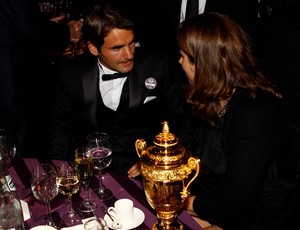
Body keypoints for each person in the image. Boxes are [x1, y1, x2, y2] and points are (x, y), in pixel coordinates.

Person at [177, 12, 297, 229]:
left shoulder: (255, 113)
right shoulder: (210, 95)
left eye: (183, 55)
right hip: (218, 206)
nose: (180, 61)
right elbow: (188, 147)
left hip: (260, 218)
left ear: (202, 64)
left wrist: (177, 201)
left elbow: (237, 204)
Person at [47, 3, 192, 177]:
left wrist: (156, 161)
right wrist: (59, 169)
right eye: (117, 48)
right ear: (93, 48)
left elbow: (185, 123)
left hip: (146, 175)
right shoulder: (72, 73)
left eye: (131, 44)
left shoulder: (159, 65)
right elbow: (59, 127)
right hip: (91, 172)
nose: (129, 54)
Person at [0, 0, 82, 158]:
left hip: (14, 62)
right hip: (8, 69)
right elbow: (29, 28)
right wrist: (66, 32)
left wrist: (44, 24)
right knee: (13, 137)